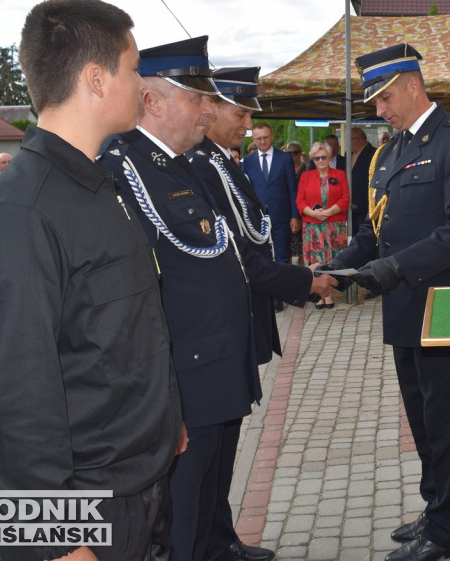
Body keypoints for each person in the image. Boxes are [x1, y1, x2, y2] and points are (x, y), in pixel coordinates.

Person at [0, 0, 183, 560]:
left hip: (139, 482)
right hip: (83, 512)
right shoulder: (21, 213)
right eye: (133, 69)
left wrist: (165, 416)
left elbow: (130, 327)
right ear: (97, 78)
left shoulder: (99, 189)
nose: (142, 86)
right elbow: (10, 396)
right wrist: (53, 543)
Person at [100, 36, 268, 561]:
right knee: (179, 516)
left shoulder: (183, 165)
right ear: (154, 100)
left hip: (214, 365)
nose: (206, 109)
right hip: (184, 375)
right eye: (196, 98)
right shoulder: (120, 169)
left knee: (202, 504)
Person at [325, 43, 450, 561]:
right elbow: (375, 230)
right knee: (420, 420)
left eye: (384, 98)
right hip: (402, 310)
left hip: (443, 309)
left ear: (413, 86)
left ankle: (448, 531)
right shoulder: (390, 151)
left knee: (444, 421)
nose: (379, 110)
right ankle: (434, 506)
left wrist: (394, 268)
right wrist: (334, 267)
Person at [188, 66, 336, 561]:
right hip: (216, 333)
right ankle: (208, 545)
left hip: (238, 326)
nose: (249, 123)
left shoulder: (221, 161)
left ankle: (220, 538)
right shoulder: (200, 166)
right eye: (242, 111)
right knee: (206, 457)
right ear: (209, 110)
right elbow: (241, 259)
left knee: (225, 449)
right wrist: (306, 281)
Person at [296, 141, 349, 309]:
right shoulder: (306, 176)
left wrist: (330, 211)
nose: (320, 161)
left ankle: (329, 294)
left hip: (334, 225)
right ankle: (319, 294)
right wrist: (314, 214)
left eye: (323, 157)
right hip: (313, 227)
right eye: (316, 158)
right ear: (312, 159)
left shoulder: (339, 174)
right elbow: (300, 201)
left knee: (332, 260)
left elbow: (345, 198)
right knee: (316, 260)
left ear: (329, 157)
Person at [243, 123, 299, 264]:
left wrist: (295, 216)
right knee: (261, 257)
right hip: (257, 218)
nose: (263, 141)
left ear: (272, 137)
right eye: (259, 138)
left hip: (281, 217)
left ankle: (284, 285)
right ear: (253, 140)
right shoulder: (248, 161)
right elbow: (245, 191)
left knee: (282, 257)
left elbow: (292, 189)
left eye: (266, 137)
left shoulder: (285, 158)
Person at [349, 127, 375, 230]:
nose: (347, 143)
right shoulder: (349, 154)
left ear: (358, 139)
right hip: (350, 208)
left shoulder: (373, 153)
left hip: (365, 207)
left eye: (349, 139)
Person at [285, 141, 306, 264]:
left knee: (302, 249)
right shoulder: (283, 168)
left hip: (304, 212)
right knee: (287, 247)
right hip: (287, 211)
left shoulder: (307, 169)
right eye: (290, 153)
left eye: (295, 153)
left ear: (300, 154)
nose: (293, 156)